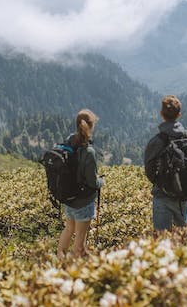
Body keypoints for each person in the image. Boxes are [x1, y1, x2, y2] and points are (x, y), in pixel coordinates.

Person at [144, 95, 187, 232]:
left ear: (161, 114)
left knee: (161, 241)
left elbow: (149, 171)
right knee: (183, 239)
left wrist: (162, 182)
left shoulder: (156, 141)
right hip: (183, 194)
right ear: (179, 114)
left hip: (162, 195)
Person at [57, 109, 104, 259]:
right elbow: (92, 181)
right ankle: (74, 271)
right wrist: (101, 181)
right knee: (80, 240)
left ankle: (59, 258)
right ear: (91, 126)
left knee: (69, 229)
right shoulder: (88, 152)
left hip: (68, 198)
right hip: (83, 202)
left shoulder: (69, 141)